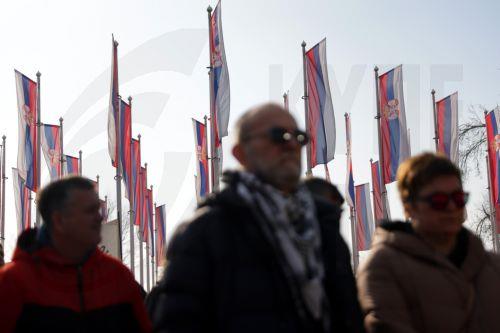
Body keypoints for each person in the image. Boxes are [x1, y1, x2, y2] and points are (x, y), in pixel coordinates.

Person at [150, 103, 363, 333]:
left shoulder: (323, 225)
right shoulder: (205, 232)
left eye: (299, 137)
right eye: (278, 136)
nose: (291, 145)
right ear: (240, 153)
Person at [357, 152, 500, 332]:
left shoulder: (493, 265)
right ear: (409, 207)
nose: (451, 207)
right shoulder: (382, 267)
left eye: (458, 199)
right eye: (438, 201)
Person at [0, 177, 152, 333]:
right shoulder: (13, 282)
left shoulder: (118, 276)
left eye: (98, 210)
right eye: (90, 211)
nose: (100, 217)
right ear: (59, 220)